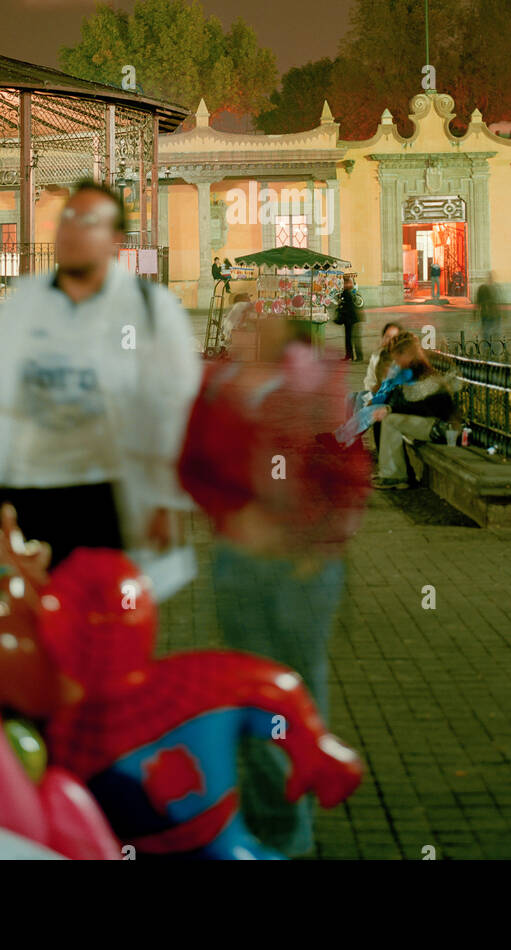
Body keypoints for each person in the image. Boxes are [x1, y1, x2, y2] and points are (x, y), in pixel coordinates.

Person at [178, 317, 372, 856]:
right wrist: (230, 514)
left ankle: (292, 827)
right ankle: (272, 825)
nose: (241, 333)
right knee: (253, 694)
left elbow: (350, 467)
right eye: (239, 325)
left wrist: (319, 542)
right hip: (240, 565)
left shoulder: (315, 386)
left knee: (300, 696)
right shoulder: (215, 388)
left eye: (251, 327)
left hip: (304, 571)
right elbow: (190, 467)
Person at [0, 179, 202, 568]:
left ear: (115, 239)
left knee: (110, 619)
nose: (73, 230)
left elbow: (177, 406)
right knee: (33, 616)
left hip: (114, 498)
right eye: (69, 218)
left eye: (89, 221)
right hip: (31, 493)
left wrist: (168, 499)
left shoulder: (151, 310)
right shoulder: (20, 307)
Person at [372, 330, 456, 488]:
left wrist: (390, 409)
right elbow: (404, 397)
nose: (397, 362)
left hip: (438, 427)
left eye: (398, 358)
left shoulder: (422, 371)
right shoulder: (413, 369)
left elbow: (416, 402)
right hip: (429, 422)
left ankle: (396, 476)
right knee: (385, 419)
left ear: (407, 354)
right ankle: (398, 473)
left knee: (390, 421)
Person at [334, 273, 363, 361]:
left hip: (352, 320)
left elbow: (349, 307)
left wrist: (341, 309)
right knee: (349, 338)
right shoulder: (347, 292)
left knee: (353, 339)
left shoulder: (348, 293)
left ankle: (357, 356)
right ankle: (350, 355)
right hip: (351, 319)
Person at [476, 274, 500, 352]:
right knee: (488, 330)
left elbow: (478, 302)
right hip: (488, 313)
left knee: (489, 330)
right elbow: (478, 302)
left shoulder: (493, 287)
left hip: (490, 313)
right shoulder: (485, 288)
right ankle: (489, 345)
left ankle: (489, 345)